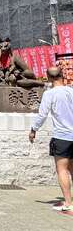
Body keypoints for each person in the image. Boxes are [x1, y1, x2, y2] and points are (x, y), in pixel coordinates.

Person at [30, 66, 73, 212]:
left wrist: (33, 129)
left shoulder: (50, 94)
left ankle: (68, 202)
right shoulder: (71, 91)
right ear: (63, 75)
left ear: (48, 78)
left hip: (62, 136)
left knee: (62, 170)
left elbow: (42, 114)